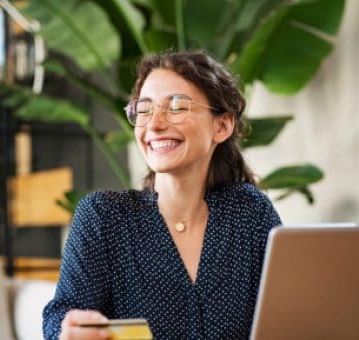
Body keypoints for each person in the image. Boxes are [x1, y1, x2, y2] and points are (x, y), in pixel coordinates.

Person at [43, 50, 282, 340]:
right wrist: (67, 331)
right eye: (144, 110)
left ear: (221, 126)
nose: (154, 124)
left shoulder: (249, 212)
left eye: (177, 106)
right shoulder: (103, 218)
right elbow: (61, 315)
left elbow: (290, 312)